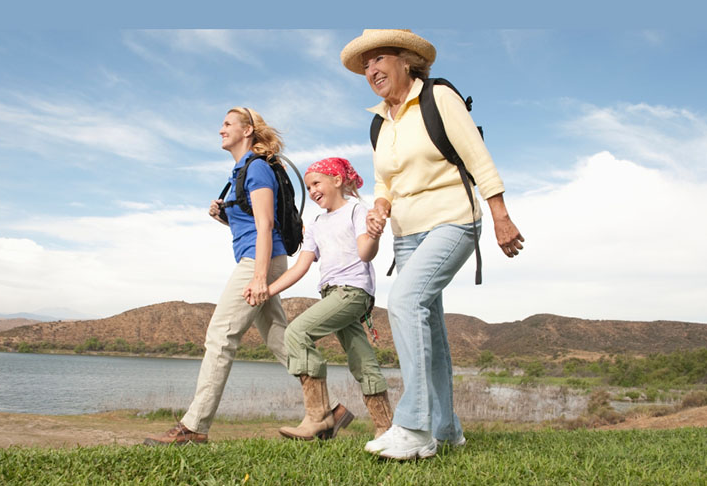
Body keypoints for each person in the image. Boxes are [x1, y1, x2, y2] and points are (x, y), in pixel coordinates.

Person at [340, 30, 525, 460]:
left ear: (406, 60)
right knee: (432, 332)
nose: (371, 70)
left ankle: (414, 427)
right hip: (407, 235)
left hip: (454, 221)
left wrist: (500, 215)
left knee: (404, 301)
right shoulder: (379, 123)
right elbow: (386, 179)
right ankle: (446, 430)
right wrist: (380, 206)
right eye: (365, 65)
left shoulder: (438, 99)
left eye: (379, 59)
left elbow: (477, 156)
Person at [144, 108, 350, 445]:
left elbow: (266, 225)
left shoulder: (256, 169)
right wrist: (223, 217)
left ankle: (195, 427)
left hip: (260, 260)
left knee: (221, 336)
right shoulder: (242, 171)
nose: (221, 129)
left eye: (227, 124)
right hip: (262, 258)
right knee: (279, 338)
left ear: (248, 130)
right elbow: (253, 222)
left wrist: (258, 278)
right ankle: (328, 411)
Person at [246, 157, 393, 441]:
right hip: (331, 293)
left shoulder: (356, 211)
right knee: (361, 360)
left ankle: (319, 416)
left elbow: (365, 253)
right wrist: (267, 288)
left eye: (316, 183)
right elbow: (301, 267)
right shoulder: (315, 223)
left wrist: (374, 236)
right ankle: (386, 428)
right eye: (308, 186)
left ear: (337, 180)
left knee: (297, 333)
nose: (312, 190)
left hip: (353, 292)